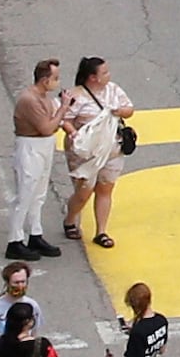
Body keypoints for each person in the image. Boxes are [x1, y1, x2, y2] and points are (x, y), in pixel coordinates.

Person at [63, 53, 130, 246]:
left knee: (105, 189)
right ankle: (70, 220)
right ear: (93, 77)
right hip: (86, 153)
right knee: (84, 190)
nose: (109, 75)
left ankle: (101, 231)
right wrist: (74, 133)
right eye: (105, 72)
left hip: (112, 149)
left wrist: (118, 111)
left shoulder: (113, 90)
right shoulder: (75, 95)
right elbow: (64, 118)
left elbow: (129, 109)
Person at [6, 58, 67, 259]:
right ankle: (15, 240)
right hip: (30, 146)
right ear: (44, 79)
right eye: (55, 78)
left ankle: (35, 233)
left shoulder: (44, 97)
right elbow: (47, 127)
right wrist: (63, 109)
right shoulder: (29, 100)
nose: (57, 82)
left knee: (39, 193)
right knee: (25, 194)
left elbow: (51, 126)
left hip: (44, 145)